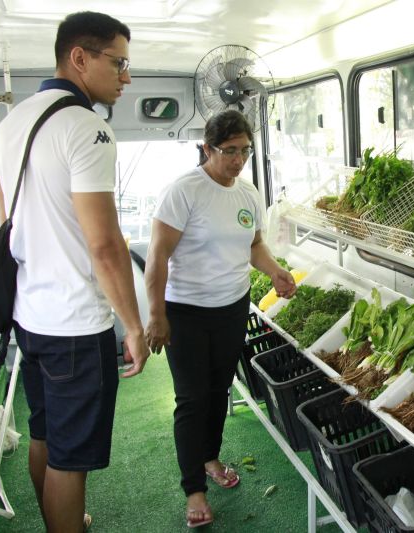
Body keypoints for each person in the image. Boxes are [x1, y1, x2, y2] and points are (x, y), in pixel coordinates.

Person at [0, 11, 149, 533]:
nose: (126, 77)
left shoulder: (11, 124)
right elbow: (104, 245)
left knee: (43, 435)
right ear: (79, 58)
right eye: (119, 63)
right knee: (69, 459)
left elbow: (7, 223)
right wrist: (132, 325)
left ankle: (63, 520)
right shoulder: (87, 128)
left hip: (29, 313)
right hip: (75, 326)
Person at [144, 109, 296, 528]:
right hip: (187, 311)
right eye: (229, 151)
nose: (238, 160)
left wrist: (275, 271)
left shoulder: (247, 193)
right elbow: (156, 258)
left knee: (217, 390)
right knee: (192, 399)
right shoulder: (184, 191)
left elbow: (255, 244)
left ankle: (209, 457)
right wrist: (156, 315)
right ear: (207, 148)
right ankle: (194, 488)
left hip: (232, 306)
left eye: (245, 150)